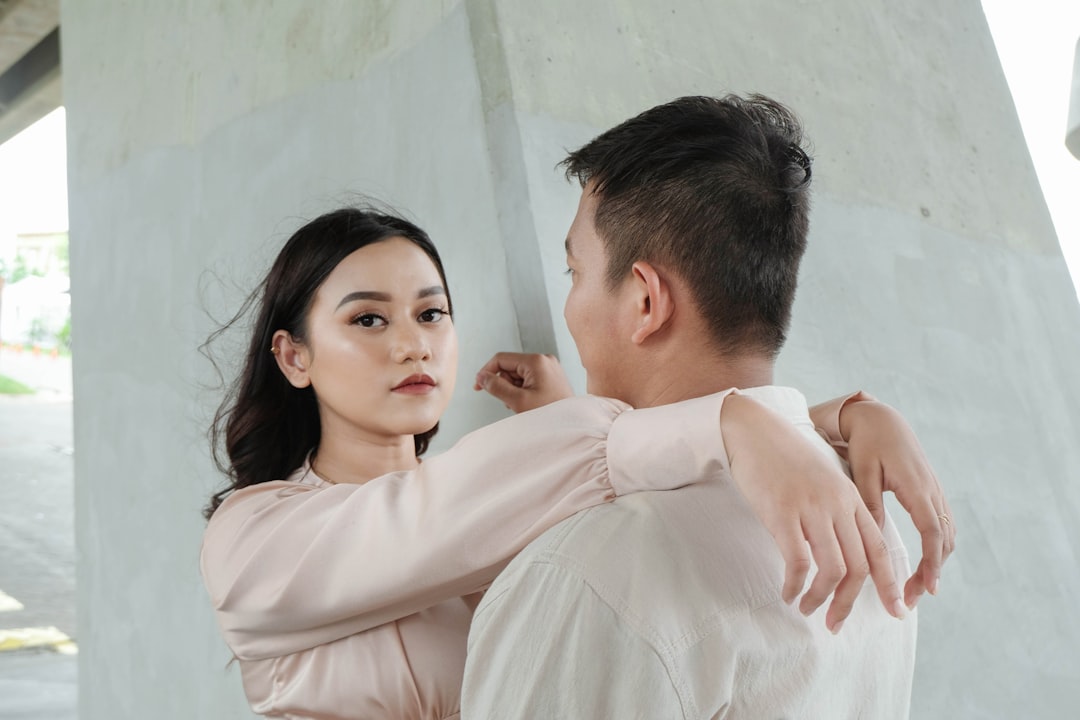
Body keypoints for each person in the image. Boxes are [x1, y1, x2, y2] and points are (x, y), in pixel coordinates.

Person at [200, 204, 949, 719]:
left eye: (431, 314)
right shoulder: (251, 541)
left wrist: (843, 419)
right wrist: (728, 421)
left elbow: (678, 469)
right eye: (369, 319)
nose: (413, 343)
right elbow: (424, 523)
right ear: (293, 355)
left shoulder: (509, 488)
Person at [461, 95, 948, 719]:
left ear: (644, 302)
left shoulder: (594, 572)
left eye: (572, 272)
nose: (570, 304)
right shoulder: (871, 521)